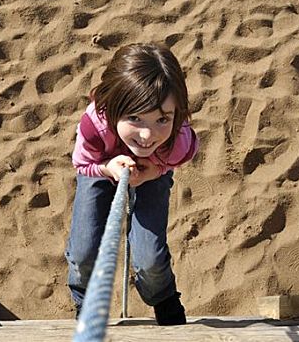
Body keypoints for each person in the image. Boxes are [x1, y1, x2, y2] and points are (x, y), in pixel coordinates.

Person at [65, 42, 199, 326]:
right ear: (112, 108)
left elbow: (184, 156)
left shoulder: (176, 139)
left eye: (162, 118)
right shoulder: (94, 127)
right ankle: (84, 299)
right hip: (101, 166)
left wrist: (156, 170)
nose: (147, 134)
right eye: (134, 118)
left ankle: (163, 296)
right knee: (83, 249)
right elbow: (82, 164)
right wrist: (107, 168)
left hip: (154, 168)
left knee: (150, 256)